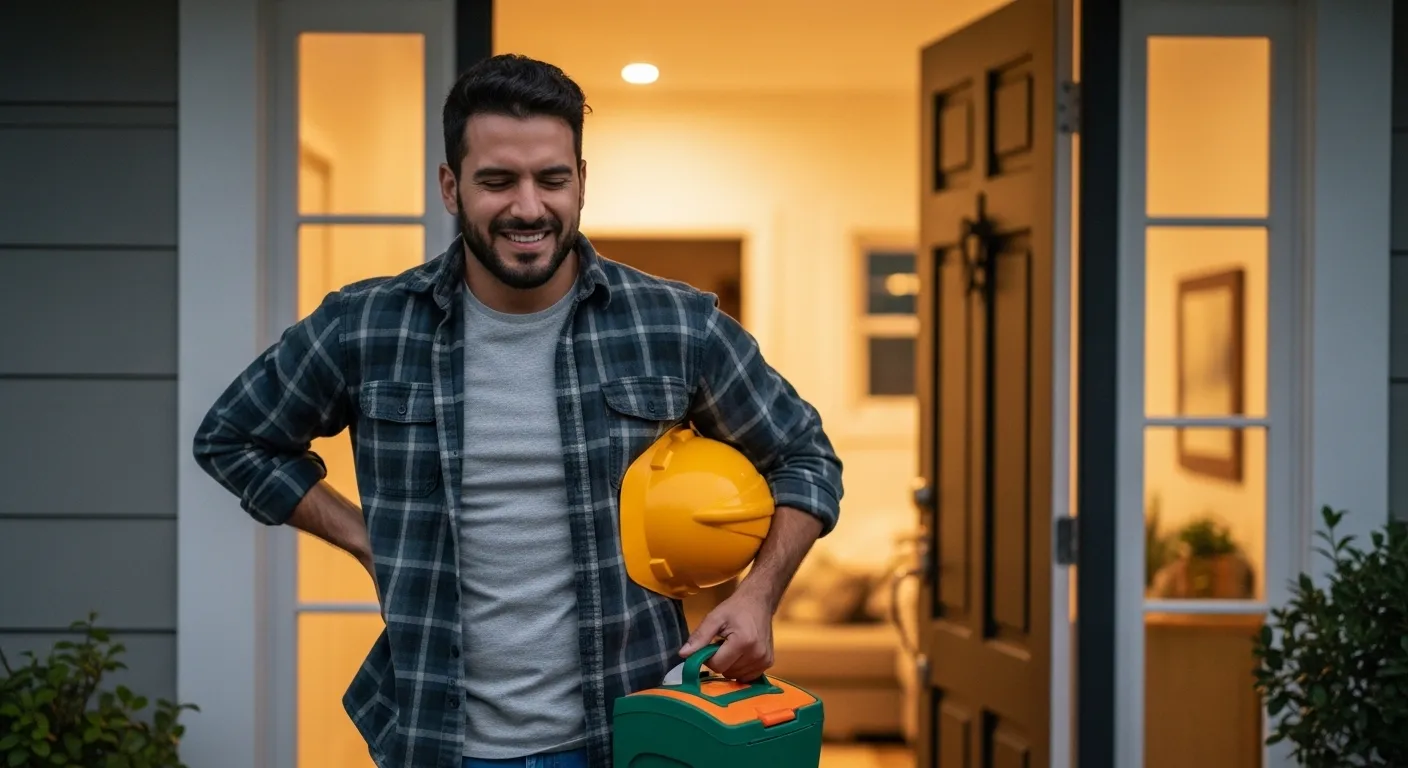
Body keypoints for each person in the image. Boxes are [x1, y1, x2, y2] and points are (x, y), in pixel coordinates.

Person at [192, 53, 843, 768]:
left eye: (552, 179)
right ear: (451, 186)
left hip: (629, 737)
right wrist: (364, 536)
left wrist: (759, 596)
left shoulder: (674, 325)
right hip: (435, 739)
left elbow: (805, 458)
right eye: (498, 180)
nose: (528, 207)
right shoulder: (367, 326)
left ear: (582, 183)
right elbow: (234, 437)